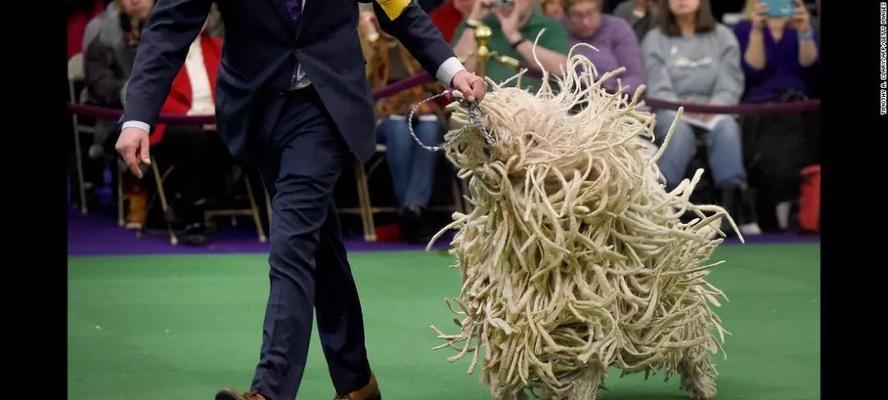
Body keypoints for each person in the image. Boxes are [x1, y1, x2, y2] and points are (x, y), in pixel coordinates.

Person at [113, 1, 487, 399]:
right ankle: (358, 384)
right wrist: (138, 116)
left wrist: (453, 70)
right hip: (257, 110)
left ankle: (270, 390)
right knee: (319, 249)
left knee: (292, 242)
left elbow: (400, 9)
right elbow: (170, 25)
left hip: (325, 109)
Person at [642, 0, 761, 235]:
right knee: (679, 131)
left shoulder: (723, 36)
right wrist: (680, 107)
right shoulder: (654, 38)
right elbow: (656, 85)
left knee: (726, 127)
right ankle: (664, 208)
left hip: (715, 108)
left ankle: (733, 209)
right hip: (671, 108)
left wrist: (716, 105)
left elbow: (731, 80)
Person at [734, 0, 820, 231]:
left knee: (795, 125)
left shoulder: (806, 26)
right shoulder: (743, 28)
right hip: (759, 106)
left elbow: (810, 66)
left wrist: (804, 32)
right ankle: (773, 205)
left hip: (799, 104)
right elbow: (753, 69)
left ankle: (793, 205)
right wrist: (757, 30)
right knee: (773, 129)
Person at [452, 0, 570, 92]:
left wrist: (514, 36)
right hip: (489, 106)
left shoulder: (548, 25)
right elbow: (457, 72)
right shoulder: (476, 25)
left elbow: (562, 69)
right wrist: (474, 20)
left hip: (539, 107)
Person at [563, 0, 645, 95]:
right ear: (567, 15)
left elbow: (633, 75)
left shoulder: (618, 28)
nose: (585, 22)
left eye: (590, 13)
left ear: (599, 10)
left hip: (614, 98)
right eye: (577, 15)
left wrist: (616, 97)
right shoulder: (557, 30)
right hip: (569, 97)